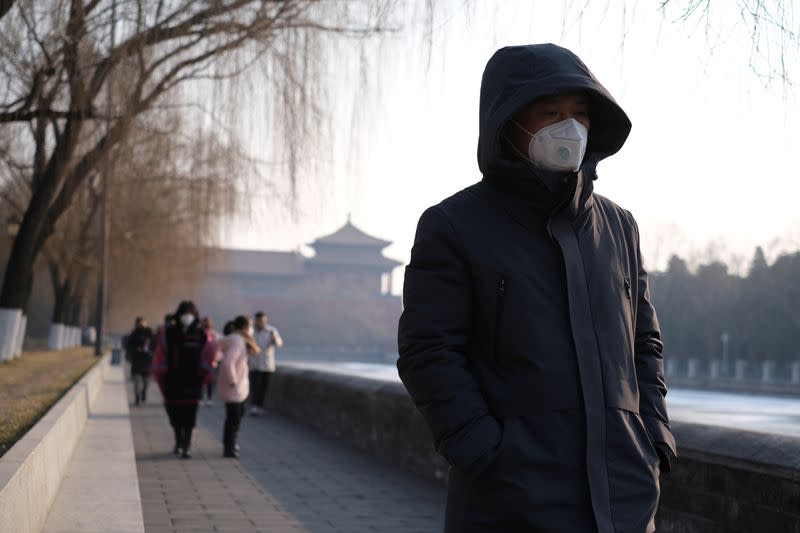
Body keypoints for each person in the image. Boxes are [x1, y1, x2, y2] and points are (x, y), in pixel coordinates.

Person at [397, 44, 677, 533]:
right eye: (550, 113)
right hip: (509, 505)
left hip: (625, 501)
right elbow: (429, 353)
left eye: (579, 114)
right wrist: (486, 453)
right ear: (509, 122)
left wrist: (653, 439)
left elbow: (644, 345)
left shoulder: (618, 227)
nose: (568, 127)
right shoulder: (455, 226)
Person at [152, 300, 214, 459]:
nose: (187, 317)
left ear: (195, 316)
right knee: (174, 415)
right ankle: (178, 440)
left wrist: (205, 375)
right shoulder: (169, 332)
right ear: (178, 315)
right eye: (184, 313)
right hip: (173, 381)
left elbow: (208, 356)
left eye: (190, 314)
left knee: (190, 416)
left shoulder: (202, 334)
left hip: (194, 381)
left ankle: (186, 445)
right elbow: (160, 355)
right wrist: (160, 375)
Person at [214, 315, 260, 458]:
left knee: (235, 416)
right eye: (250, 325)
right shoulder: (239, 341)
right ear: (245, 327)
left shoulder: (232, 340)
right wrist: (233, 380)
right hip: (234, 386)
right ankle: (229, 448)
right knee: (234, 418)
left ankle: (231, 444)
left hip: (233, 386)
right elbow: (228, 362)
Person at [248, 311, 283, 416]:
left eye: (263, 321)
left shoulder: (271, 331)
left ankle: (259, 406)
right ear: (256, 321)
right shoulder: (251, 332)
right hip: (254, 364)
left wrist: (274, 338)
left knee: (263, 387)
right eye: (259, 321)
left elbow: (279, 343)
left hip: (267, 364)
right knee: (255, 386)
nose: (261, 323)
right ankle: (254, 406)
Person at [126, 317, 154, 406]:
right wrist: (135, 350)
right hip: (136, 360)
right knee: (136, 380)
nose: (140, 325)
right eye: (138, 323)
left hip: (147, 360)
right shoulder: (134, 334)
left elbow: (155, 343)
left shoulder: (149, 332)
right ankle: (137, 397)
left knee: (146, 381)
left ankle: (144, 392)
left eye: (142, 323)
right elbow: (129, 346)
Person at [201, 317, 221, 406]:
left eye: (207, 323)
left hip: (211, 361)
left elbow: (218, 348)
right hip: (201, 361)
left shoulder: (215, 335)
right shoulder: (198, 334)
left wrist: (216, 359)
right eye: (204, 323)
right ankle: (200, 397)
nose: (206, 325)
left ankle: (209, 398)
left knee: (210, 380)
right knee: (200, 379)